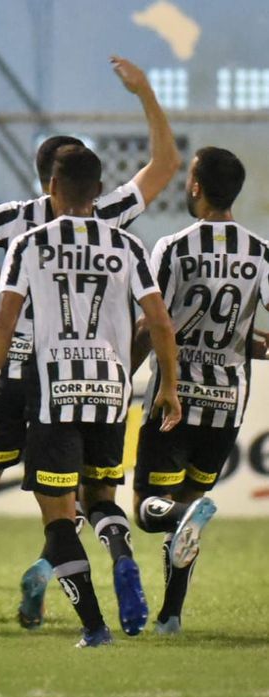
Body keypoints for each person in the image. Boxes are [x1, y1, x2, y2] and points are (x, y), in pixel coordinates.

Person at [0, 57, 180, 635]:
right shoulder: (109, 216)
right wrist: (146, 94)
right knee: (88, 493)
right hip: (90, 373)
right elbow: (164, 167)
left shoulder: (16, 222)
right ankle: (62, 576)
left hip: (17, 372)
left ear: (43, 180)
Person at [0, 144, 181, 647]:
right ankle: (123, 559)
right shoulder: (127, 246)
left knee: (59, 518)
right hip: (111, 389)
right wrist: (167, 386)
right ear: (100, 191)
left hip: (54, 389)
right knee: (102, 498)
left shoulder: (30, 244)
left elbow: (3, 323)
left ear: (52, 189)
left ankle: (94, 627)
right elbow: (159, 321)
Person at [132, 147, 269, 634]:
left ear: (195, 187)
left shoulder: (173, 247)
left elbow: (155, 325)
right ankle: (171, 615)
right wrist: (253, 344)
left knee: (152, 510)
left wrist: (122, 376)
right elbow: (241, 326)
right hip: (228, 401)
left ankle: (187, 515)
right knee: (187, 515)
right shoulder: (260, 251)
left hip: (175, 395)